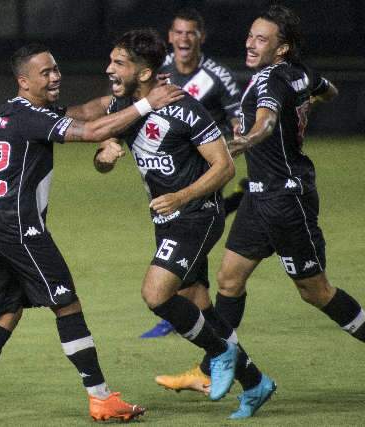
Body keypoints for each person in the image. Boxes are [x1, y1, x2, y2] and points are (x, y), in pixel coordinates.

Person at [0, 43, 184, 425]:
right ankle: (101, 399)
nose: (55, 76)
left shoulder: (13, 111)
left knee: (5, 313)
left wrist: (124, 94)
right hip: (19, 229)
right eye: (46, 73)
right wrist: (146, 105)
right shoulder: (31, 119)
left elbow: (85, 112)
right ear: (24, 81)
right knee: (66, 305)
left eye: (56, 69)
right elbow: (90, 130)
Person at [157, 4, 365, 414]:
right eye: (251, 36)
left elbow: (266, 123)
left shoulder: (270, 80)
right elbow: (328, 89)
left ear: (281, 48)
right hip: (259, 195)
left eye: (262, 39)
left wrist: (245, 140)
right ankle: (211, 366)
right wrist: (304, 106)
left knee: (316, 292)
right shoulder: (301, 73)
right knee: (229, 280)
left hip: (286, 201)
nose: (250, 44)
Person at [76, 28, 273, 419]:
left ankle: (219, 355)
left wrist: (182, 197)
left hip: (198, 215)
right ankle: (255, 382)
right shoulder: (122, 107)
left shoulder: (184, 108)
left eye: (119, 63)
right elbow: (101, 157)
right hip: (167, 220)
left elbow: (225, 166)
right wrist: (105, 157)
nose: (108, 69)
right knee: (199, 305)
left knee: (155, 294)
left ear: (145, 71)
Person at [142, 8, 248, 339]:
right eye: (179, 32)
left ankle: (185, 313)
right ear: (169, 37)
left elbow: (238, 120)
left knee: (191, 231)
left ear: (201, 36)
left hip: (206, 172)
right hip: (171, 173)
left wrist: (235, 141)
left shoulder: (217, 75)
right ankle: (186, 309)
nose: (184, 38)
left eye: (191, 33)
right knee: (184, 238)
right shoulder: (160, 75)